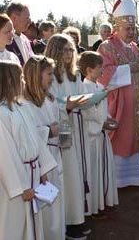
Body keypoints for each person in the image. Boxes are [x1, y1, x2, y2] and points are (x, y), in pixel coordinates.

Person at [98, 0, 139, 188]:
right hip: (118, 104)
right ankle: (117, 180)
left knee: (134, 139)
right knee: (121, 138)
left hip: (137, 105)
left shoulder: (134, 47)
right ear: (117, 27)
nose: (131, 32)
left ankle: (133, 177)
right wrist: (129, 68)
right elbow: (103, 75)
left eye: (133, 28)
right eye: (127, 28)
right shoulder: (105, 47)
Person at [0, 61, 57, 240]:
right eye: (20, 79)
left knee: (33, 222)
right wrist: (21, 186)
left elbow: (37, 140)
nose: (24, 82)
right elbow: (5, 154)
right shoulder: (1, 114)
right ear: (9, 82)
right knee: (15, 225)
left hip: (32, 172)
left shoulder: (20, 107)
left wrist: (43, 169)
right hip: (17, 182)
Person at [45, 34, 91, 239]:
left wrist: (86, 100)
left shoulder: (75, 74)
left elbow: (81, 96)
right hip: (62, 127)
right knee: (68, 173)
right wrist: (67, 105)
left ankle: (77, 217)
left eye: (72, 49)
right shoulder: (50, 76)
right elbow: (50, 103)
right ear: (55, 50)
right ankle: (69, 222)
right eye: (65, 50)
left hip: (76, 125)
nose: (69, 53)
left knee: (77, 170)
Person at [23, 56, 65, 240]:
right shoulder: (25, 103)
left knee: (56, 204)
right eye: (49, 74)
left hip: (54, 154)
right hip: (42, 162)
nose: (52, 78)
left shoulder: (48, 98)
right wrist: (48, 130)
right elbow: (28, 134)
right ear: (35, 75)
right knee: (47, 211)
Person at [79, 51, 118, 215]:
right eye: (99, 68)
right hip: (92, 137)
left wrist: (109, 119)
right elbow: (86, 112)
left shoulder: (100, 87)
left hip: (102, 135)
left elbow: (103, 109)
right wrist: (101, 124)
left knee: (104, 169)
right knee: (94, 171)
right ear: (88, 69)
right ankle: (94, 206)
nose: (102, 71)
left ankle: (105, 200)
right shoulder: (83, 87)